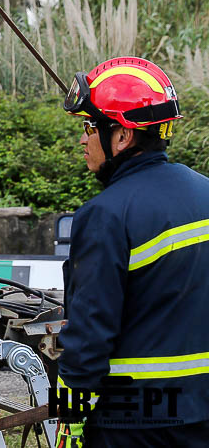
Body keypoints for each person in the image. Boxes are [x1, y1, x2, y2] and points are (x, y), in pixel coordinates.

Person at [56, 57, 209, 447]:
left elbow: (89, 335)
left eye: (90, 127)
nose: (83, 139)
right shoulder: (205, 193)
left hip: (134, 422)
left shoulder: (105, 215)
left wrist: (70, 418)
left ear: (122, 136)